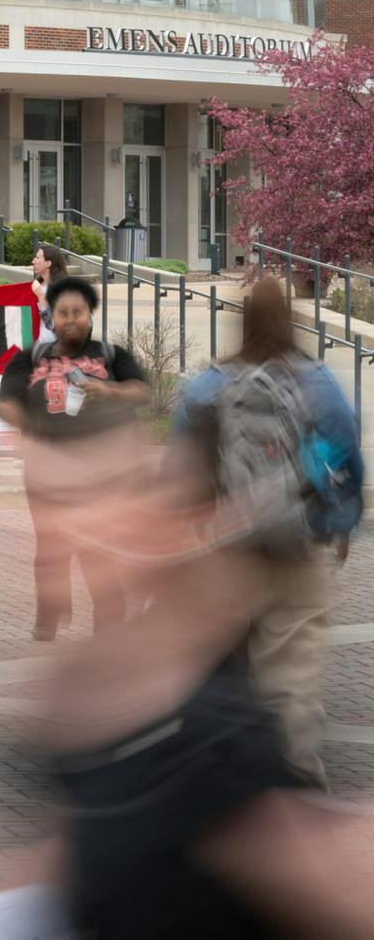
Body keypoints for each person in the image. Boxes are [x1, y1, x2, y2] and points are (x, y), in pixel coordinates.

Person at [170, 277, 364, 786]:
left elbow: (182, 467)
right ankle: (295, 778)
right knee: (292, 675)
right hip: (299, 546)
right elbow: (347, 455)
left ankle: (220, 787)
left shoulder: (209, 384)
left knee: (222, 667)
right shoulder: (316, 380)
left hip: (228, 547)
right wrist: (338, 524)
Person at [0, 275, 147, 641]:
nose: (69, 319)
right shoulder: (28, 358)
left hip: (104, 471)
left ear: (90, 315)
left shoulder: (113, 356)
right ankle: (48, 615)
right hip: (46, 469)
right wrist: (29, 426)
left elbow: (141, 391)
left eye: (77, 312)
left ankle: (109, 626)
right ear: (53, 317)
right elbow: (5, 403)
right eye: (62, 312)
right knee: (50, 546)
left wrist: (107, 391)